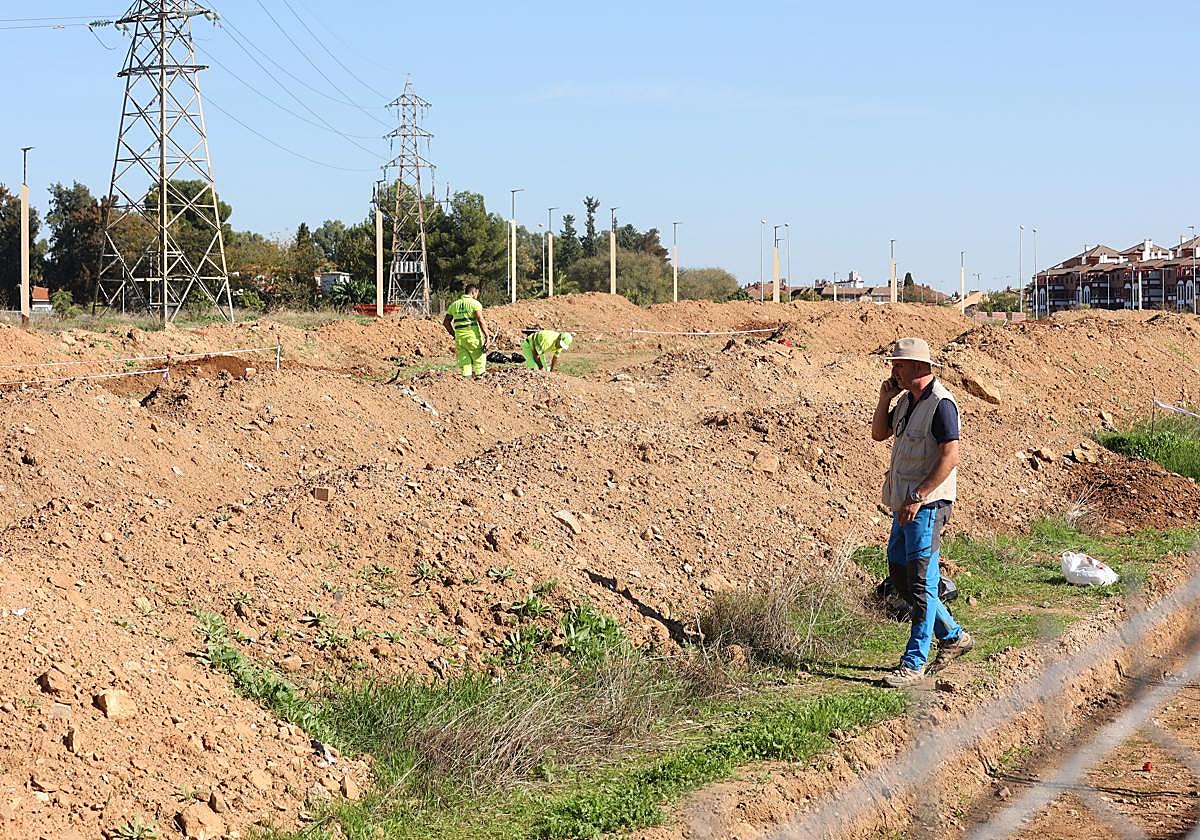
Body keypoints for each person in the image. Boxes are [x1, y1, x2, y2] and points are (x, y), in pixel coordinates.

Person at [870, 336, 973, 688]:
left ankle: (913, 662)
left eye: (899, 364)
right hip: (904, 502)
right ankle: (954, 636)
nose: (893, 369)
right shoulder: (906, 402)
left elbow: (950, 456)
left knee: (920, 580)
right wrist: (885, 398)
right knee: (900, 573)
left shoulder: (942, 404)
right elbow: (878, 434)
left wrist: (920, 494)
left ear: (919, 367)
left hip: (926, 505)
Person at [443, 284, 490, 378]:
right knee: (479, 360)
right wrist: (487, 336)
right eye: (477, 293)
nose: (476, 296)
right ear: (473, 292)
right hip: (473, 338)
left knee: (465, 362)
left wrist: (454, 334)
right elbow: (480, 320)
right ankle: (480, 380)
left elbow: (446, 322)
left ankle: (466, 384)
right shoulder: (475, 304)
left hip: (460, 339)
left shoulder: (454, 305)